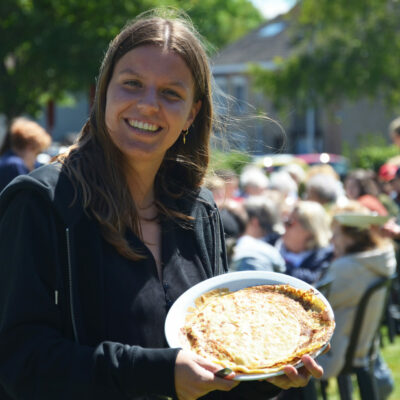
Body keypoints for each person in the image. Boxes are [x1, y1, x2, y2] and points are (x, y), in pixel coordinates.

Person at [0, 9, 324, 400]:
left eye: (171, 93)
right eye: (132, 84)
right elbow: (20, 364)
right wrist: (159, 374)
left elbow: (209, 377)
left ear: (191, 114)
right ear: (103, 92)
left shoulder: (199, 212)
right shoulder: (41, 205)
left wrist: (266, 375)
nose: (149, 104)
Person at [318, 201, 396, 399]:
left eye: (336, 234)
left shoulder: (346, 268)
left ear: (350, 237)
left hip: (336, 351)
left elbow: (318, 307)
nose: (332, 240)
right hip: (363, 347)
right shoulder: (380, 259)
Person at [276, 200, 334, 285]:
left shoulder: (326, 256)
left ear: (309, 230)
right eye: (285, 220)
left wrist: (280, 267)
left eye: (289, 223)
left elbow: (312, 279)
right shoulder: (273, 242)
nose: (284, 226)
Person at [229, 195, 286, 273]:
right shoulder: (275, 248)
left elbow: (253, 284)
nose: (237, 218)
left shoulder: (251, 255)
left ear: (254, 221)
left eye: (242, 215)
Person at [0, 117, 51, 191]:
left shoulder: (7, 159)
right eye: (37, 152)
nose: (36, 159)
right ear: (29, 147)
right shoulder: (14, 165)